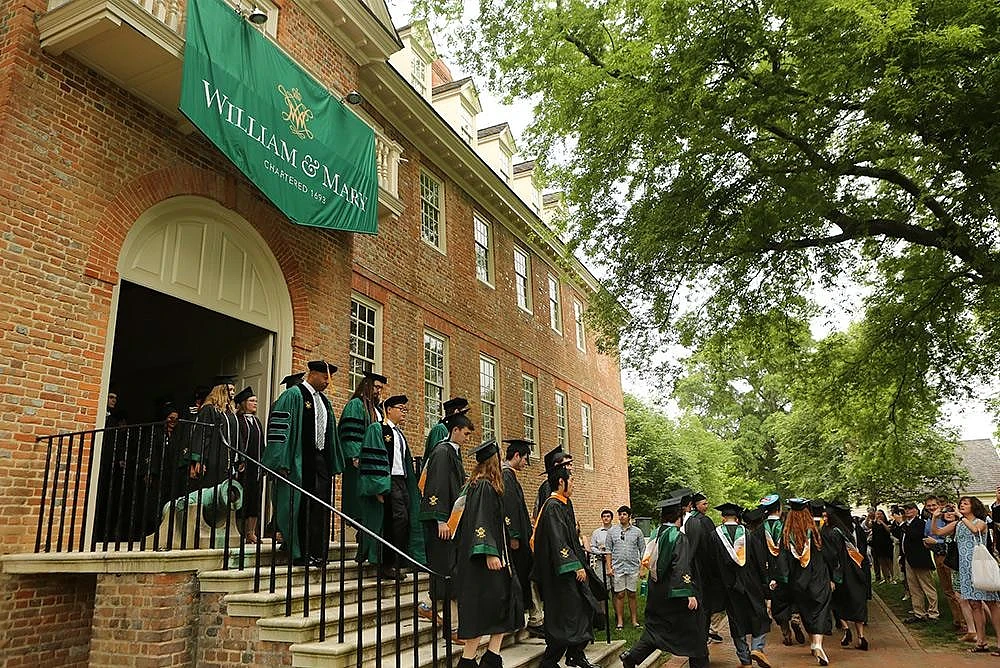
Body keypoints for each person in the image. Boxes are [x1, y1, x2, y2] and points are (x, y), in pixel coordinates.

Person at [262, 361, 344, 566]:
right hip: (299, 460)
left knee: (320, 506)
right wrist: (281, 461)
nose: (327, 382)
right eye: (325, 377)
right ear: (313, 374)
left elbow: (330, 434)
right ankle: (301, 552)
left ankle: (318, 552)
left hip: (320, 461)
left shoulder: (324, 402)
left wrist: (332, 461)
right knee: (302, 505)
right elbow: (281, 429)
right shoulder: (293, 395)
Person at [454, 440, 524, 668]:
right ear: (494, 460)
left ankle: (491, 656)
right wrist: (489, 553)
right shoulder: (483, 487)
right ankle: (469, 660)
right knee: (486, 607)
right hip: (484, 560)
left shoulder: (480, 485)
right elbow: (481, 521)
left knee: (503, 603)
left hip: (494, 557)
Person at [532, 447, 600, 668]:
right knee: (566, 616)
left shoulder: (562, 503)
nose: (574, 484)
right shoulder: (552, 507)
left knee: (581, 610)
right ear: (561, 482)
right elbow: (558, 541)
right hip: (560, 574)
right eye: (571, 480)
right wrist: (574, 566)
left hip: (568, 570)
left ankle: (575, 655)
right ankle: (551, 661)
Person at [621, 495, 707, 668]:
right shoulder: (677, 537)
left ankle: (632, 658)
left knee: (655, 631)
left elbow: (647, 562)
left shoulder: (656, 534)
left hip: (657, 592)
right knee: (696, 637)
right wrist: (688, 593)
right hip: (675, 594)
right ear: (679, 515)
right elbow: (680, 566)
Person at [356, 394, 424, 577]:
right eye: (400, 409)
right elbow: (371, 459)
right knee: (396, 520)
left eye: (405, 410)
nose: (404, 413)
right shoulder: (376, 429)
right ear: (388, 410)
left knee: (405, 519)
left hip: (401, 482)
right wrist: (379, 487)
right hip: (388, 481)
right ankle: (386, 563)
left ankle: (398, 560)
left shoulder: (399, 434)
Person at [418, 411, 472, 638]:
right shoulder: (442, 452)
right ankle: (452, 627)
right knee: (446, 572)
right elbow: (436, 486)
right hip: (443, 525)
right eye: (466, 433)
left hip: (452, 524)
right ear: (455, 430)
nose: (468, 438)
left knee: (449, 573)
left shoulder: (453, 453)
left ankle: (431, 609)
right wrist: (440, 519)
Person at [931, 495, 1000, 653]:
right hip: (965, 569)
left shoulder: (980, 522)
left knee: (992, 603)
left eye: (965, 504)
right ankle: (981, 642)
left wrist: (961, 516)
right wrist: (935, 518)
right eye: (960, 504)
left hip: (980, 567)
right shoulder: (958, 524)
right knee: (974, 604)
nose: (961, 506)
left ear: (973, 506)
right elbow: (938, 532)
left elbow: (975, 530)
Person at [771, 498, 835, 666]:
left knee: (806, 610)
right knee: (820, 609)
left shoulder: (786, 535)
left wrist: (781, 580)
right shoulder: (815, 532)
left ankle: (814, 643)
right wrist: (834, 576)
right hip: (818, 578)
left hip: (797, 581)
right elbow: (828, 555)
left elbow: (782, 561)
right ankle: (817, 643)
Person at [712, 503, 771, 668]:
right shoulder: (749, 534)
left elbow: (712, 565)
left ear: (723, 518)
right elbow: (759, 561)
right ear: (737, 518)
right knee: (758, 614)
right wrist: (764, 582)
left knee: (736, 620)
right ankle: (757, 648)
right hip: (751, 583)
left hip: (729, 586)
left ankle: (745, 661)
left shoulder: (714, 536)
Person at [338, 370, 386, 531]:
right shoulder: (356, 405)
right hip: (360, 462)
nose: (378, 391)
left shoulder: (377, 409)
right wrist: (354, 455)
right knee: (359, 501)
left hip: (374, 463)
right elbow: (351, 432)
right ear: (367, 385)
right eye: (376, 387)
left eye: (380, 388)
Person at [757, 494, 803, 646]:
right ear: (779, 509)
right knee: (794, 597)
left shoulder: (758, 531)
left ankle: (786, 633)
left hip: (769, 573)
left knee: (778, 603)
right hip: (789, 571)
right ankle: (795, 616)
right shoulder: (786, 527)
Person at [825, 501, 871, 651]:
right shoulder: (849, 531)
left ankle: (846, 629)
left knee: (838, 602)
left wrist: (832, 576)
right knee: (857, 602)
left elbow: (832, 556)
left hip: (840, 572)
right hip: (856, 570)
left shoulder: (831, 532)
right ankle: (861, 637)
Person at [501, 438, 536, 632]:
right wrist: (513, 535)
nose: (525, 463)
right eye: (524, 458)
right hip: (515, 540)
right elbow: (509, 508)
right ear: (516, 456)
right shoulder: (506, 476)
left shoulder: (510, 475)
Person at [683, 492, 726, 643]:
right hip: (705, 567)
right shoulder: (704, 521)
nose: (706, 506)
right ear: (695, 505)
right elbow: (712, 545)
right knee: (709, 600)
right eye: (704, 504)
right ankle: (707, 630)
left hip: (692, 566)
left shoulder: (688, 521)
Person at [193, 375, 240, 488]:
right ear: (221, 390)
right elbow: (203, 434)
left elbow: (237, 436)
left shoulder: (230, 413)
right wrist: (200, 459)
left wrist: (240, 457)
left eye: (234, 390)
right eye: (230, 390)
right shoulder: (209, 409)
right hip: (213, 459)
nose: (233, 393)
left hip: (228, 462)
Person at [605, 505, 647, 629]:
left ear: (629, 516)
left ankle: (634, 620)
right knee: (619, 594)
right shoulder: (612, 531)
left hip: (633, 567)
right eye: (620, 514)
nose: (622, 516)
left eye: (624, 514)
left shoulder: (637, 532)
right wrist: (609, 567)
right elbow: (608, 550)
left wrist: (642, 568)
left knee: (632, 594)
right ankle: (620, 621)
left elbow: (643, 550)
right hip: (618, 567)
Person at [900, 500, 939, 623]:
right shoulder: (906, 524)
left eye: (910, 509)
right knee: (914, 588)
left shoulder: (920, 523)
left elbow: (915, 535)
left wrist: (902, 524)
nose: (907, 511)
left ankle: (933, 612)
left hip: (920, 559)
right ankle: (919, 612)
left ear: (916, 510)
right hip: (908, 559)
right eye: (906, 509)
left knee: (927, 586)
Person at [234, 387, 264, 543]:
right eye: (252, 401)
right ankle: (239, 532)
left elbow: (262, 444)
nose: (255, 403)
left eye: (256, 401)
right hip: (243, 467)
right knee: (241, 499)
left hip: (256, 467)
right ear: (243, 403)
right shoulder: (238, 421)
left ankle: (251, 533)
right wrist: (239, 460)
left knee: (254, 499)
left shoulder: (257, 421)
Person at [870, 509, 895, 583]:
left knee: (889, 561)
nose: (879, 515)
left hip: (886, 544)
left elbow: (889, 531)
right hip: (877, 545)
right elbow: (867, 525)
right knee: (882, 562)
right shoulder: (874, 523)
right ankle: (886, 578)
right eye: (877, 514)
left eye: (881, 514)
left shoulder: (887, 523)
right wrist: (869, 517)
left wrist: (882, 523)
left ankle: (893, 577)